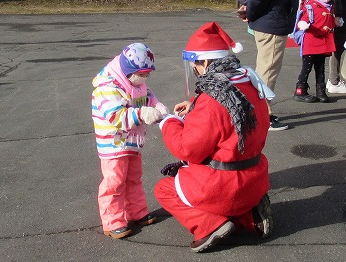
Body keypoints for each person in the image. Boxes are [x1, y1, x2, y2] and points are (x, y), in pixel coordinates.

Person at [154, 22, 273, 253]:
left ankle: (210, 226)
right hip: (255, 177)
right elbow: (234, 115)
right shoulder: (248, 82)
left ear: (206, 62)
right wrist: (195, 107)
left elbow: (189, 149)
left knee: (165, 188)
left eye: (195, 65)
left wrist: (168, 122)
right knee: (224, 186)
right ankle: (249, 216)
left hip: (223, 185)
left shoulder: (212, 99)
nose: (195, 70)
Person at [91, 43, 168, 239]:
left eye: (147, 74)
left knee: (134, 178)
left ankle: (137, 212)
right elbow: (115, 116)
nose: (144, 78)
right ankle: (112, 221)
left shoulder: (136, 83)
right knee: (114, 182)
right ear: (128, 70)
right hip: (113, 144)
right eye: (142, 73)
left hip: (132, 142)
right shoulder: (106, 87)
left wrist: (156, 105)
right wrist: (143, 113)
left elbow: (148, 97)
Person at [237, 0, 299, 130]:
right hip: (272, 24)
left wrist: (248, 9)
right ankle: (262, 115)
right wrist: (249, 11)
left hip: (270, 21)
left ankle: (258, 112)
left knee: (264, 69)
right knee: (268, 71)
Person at [293, 0, 336, 103]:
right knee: (306, 67)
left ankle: (320, 91)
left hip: (323, 42)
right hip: (311, 41)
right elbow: (303, 19)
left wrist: (335, 21)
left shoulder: (330, 6)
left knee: (320, 67)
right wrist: (303, 24)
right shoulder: (310, 6)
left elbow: (329, 20)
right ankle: (300, 90)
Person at [326, 0, 346, 93]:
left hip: (338, 13)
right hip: (340, 14)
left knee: (337, 48)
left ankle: (333, 80)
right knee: (338, 48)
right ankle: (334, 81)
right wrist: (338, 15)